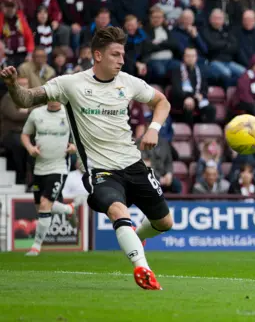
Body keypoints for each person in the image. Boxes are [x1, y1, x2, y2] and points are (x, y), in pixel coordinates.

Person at [0, 26, 173, 290]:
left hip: (133, 164)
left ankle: (136, 237)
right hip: (100, 170)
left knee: (164, 223)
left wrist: (154, 128)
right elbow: (26, 99)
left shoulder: (128, 82)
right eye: (115, 54)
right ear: (98, 55)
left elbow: (162, 102)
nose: (121, 60)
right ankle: (143, 269)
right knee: (118, 210)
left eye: (122, 54)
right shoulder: (70, 84)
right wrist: (12, 85)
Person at [21, 101, 78, 256]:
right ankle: (68, 209)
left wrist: (74, 147)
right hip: (39, 167)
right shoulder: (36, 113)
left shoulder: (69, 113)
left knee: (46, 204)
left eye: (56, 96)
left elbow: (82, 136)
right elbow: (25, 135)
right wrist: (30, 148)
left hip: (59, 166)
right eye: (50, 96)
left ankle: (36, 247)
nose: (53, 99)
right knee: (40, 207)